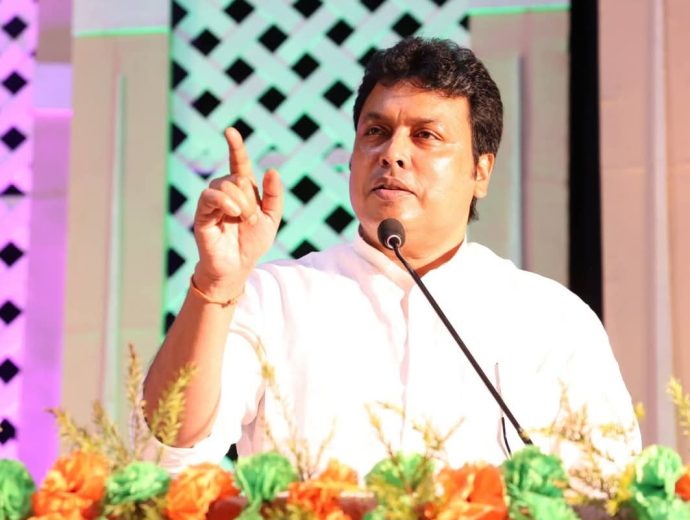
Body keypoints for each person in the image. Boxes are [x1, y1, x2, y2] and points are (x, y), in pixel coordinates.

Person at [141, 37, 640, 476]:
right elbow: (166, 449)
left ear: (481, 172)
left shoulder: (551, 319)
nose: (392, 153)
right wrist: (216, 286)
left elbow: (610, 498)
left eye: (426, 136)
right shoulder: (274, 297)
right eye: (376, 132)